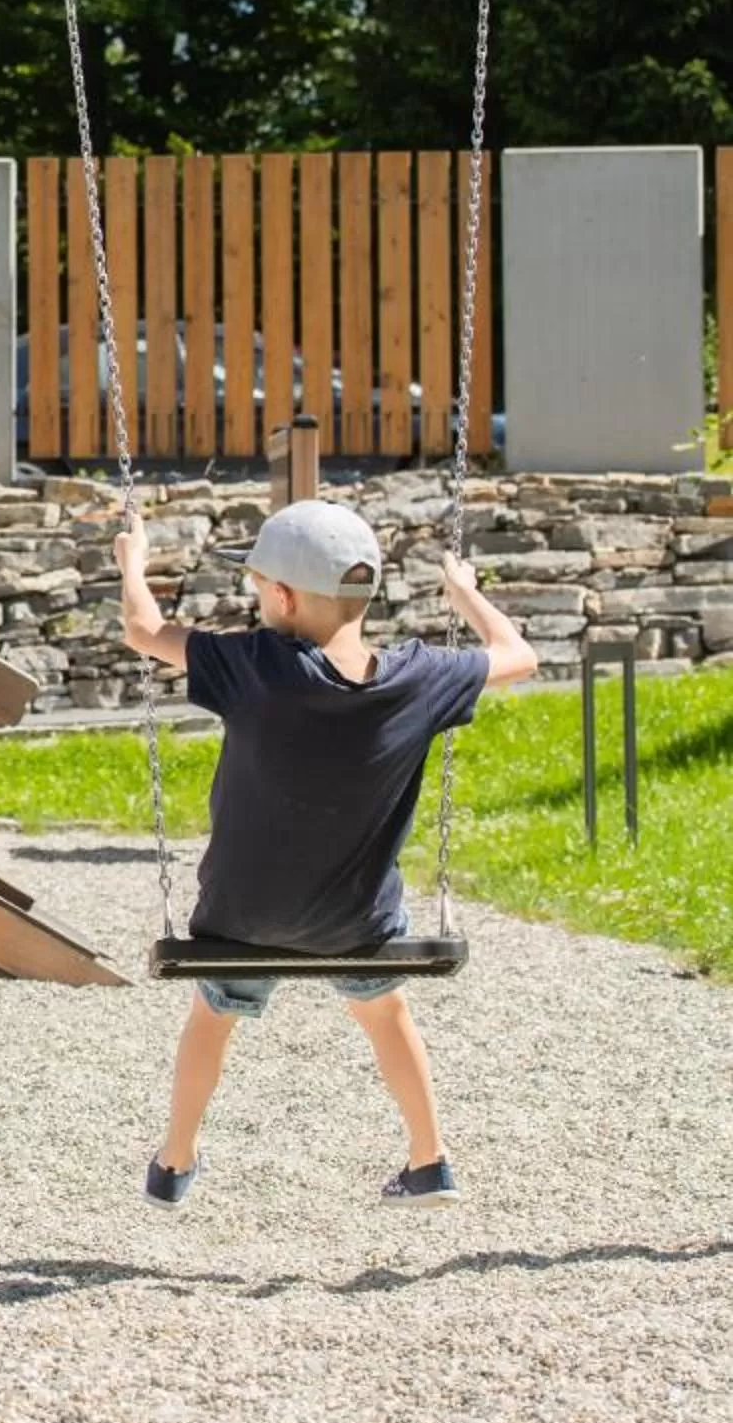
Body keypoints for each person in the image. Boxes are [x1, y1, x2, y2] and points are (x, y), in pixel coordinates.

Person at [114, 499, 536, 1208]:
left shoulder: (250, 666)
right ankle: (429, 1159)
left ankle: (174, 1161)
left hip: (240, 924)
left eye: (255, 588)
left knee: (212, 1016)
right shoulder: (418, 677)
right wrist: (466, 593)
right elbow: (519, 658)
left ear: (280, 596)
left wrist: (133, 562)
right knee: (385, 1012)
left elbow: (142, 628)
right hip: (356, 926)